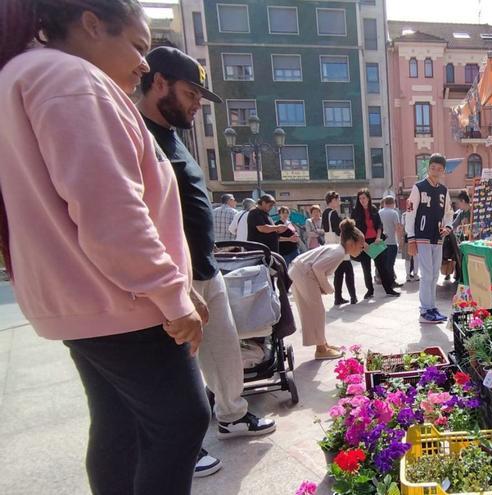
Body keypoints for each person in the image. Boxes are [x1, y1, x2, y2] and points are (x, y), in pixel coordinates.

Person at [0, 2, 209, 493]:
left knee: (121, 427)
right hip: (122, 300)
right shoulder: (70, 79)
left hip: (87, 298)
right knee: (179, 422)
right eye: (138, 46)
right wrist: (172, 295)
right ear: (92, 24)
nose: (143, 63)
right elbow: (110, 211)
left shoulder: (27, 74)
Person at [137, 46, 276, 477]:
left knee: (224, 352)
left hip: (204, 267)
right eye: (191, 93)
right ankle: (182, 447)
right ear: (159, 82)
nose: (198, 104)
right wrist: (170, 284)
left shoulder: (173, 134)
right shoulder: (135, 132)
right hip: (170, 276)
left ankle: (232, 416)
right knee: (174, 371)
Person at [290, 219, 366, 360]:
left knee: (314, 311)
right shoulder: (338, 253)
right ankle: (320, 349)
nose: (362, 249)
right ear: (351, 243)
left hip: (300, 271)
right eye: (361, 246)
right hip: (303, 273)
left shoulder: (338, 250)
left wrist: (323, 287)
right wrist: (328, 288)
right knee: (317, 312)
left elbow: (317, 268)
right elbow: (317, 268)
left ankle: (323, 345)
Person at [406, 154, 454, 323]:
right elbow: (410, 214)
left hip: (438, 238)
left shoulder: (444, 190)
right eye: (433, 167)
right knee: (426, 274)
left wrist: (448, 227)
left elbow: (449, 212)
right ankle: (424, 310)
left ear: (443, 171)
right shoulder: (418, 187)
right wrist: (411, 238)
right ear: (428, 168)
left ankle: (432, 307)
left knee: (434, 274)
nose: (436, 171)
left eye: (439, 168)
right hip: (422, 236)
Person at [352, 189, 400, 298]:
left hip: (375, 241)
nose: (362, 200)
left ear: (368, 198)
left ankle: (389, 289)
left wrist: (378, 237)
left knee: (382, 266)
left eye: (364, 198)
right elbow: (354, 229)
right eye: (360, 198)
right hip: (363, 243)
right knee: (366, 268)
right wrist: (363, 243)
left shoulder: (373, 209)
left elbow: (379, 225)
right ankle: (370, 291)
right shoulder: (355, 212)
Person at [322, 191, 357, 305]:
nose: (339, 202)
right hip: (339, 246)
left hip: (330, 245)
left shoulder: (325, 213)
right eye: (337, 199)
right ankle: (353, 296)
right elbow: (339, 231)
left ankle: (338, 298)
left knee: (338, 273)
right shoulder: (333, 213)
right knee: (349, 271)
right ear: (332, 200)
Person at [378, 196, 404, 287]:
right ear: (393, 203)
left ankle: (383, 280)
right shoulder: (394, 213)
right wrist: (400, 241)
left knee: (382, 263)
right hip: (391, 242)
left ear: (384, 203)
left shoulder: (379, 212)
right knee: (390, 264)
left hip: (380, 242)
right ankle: (390, 282)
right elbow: (397, 228)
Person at [401, 209, 419, 282]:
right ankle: (413, 274)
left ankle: (409, 275)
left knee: (410, 258)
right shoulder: (405, 215)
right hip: (414, 238)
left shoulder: (404, 215)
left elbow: (402, 227)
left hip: (408, 238)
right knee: (414, 257)